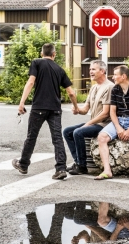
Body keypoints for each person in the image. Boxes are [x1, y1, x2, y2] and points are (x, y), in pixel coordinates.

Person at [12, 43, 79, 180]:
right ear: (54, 54)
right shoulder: (60, 69)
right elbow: (71, 93)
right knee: (57, 138)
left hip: (39, 108)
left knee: (32, 136)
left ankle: (23, 164)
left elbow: (31, 82)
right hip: (55, 109)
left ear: (42, 53)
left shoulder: (36, 62)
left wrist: (22, 102)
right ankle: (60, 169)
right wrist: (76, 107)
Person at [95, 65, 129, 180]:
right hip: (118, 120)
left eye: (115, 75)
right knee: (102, 137)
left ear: (123, 76)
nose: (113, 77)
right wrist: (118, 128)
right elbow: (112, 112)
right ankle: (107, 170)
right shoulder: (115, 89)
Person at [63, 60, 113, 175]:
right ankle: (78, 162)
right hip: (95, 123)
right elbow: (85, 109)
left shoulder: (109, 87)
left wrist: (89, 123)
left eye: (93, 69)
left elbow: (106, 113)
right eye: (90, 69)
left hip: (104, 125)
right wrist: (77, 110)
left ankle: (82, 166)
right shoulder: (94, 87)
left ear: (102, 71)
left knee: (78, 132)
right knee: (67, 131)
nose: (90, 71)